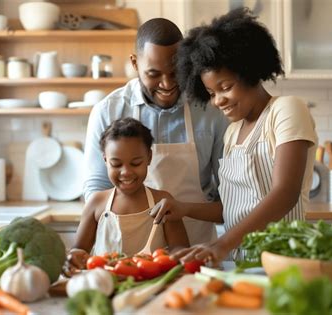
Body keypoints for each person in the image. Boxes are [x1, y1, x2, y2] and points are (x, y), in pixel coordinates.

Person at [150, 8, 318, 265]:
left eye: (225, 87)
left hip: (285, 259)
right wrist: (184, 207)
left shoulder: (286, 110)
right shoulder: (231, 133)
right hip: (243, 262)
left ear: (249, 71)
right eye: (211, 93)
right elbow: (232, 209)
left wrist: (221, 243)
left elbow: (285, 193)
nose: (218, 101)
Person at [83, 18, 229, 246]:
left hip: (196, 250)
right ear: (134, 63)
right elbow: (96, 189)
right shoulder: (108, 111)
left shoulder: (211, 110)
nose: (167, 83)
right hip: (127, 254)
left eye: (175, 72)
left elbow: (229, 196)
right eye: (153, 74)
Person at [66, 118, 189, 272]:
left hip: (151, 282)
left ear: (149, 158)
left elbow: (181, 248)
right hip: (105, 285)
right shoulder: (96, 203)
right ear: (105, 160)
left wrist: (172, 258)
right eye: (116, 164)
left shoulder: (163, 202)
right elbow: (78, 250)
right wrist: (74, 257)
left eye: (136, 163)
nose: (126, 172)